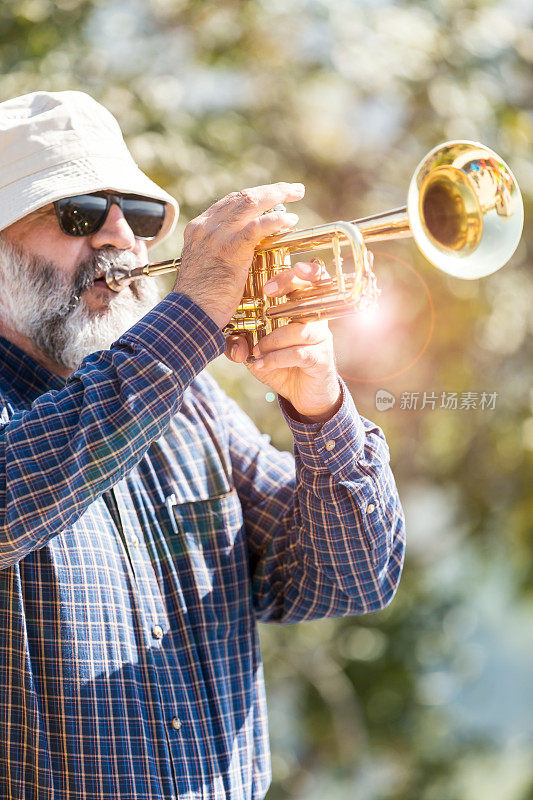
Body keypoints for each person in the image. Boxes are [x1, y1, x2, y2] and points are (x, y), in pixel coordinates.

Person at [0, 91, 405, 800]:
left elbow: (348, 577)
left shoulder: (186, 403)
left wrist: (317, 404)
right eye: (81, 214)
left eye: (144, 216)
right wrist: (190, 320)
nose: (120, 237)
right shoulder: (160, 377)